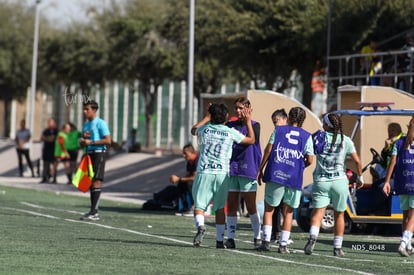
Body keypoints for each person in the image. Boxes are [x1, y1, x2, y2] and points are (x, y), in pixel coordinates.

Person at [190, 103, 255, 248]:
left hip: (205, 171)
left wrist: (206, 117)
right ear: (225, 117)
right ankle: (219, 241)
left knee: (199, 206)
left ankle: (200, 226)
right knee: (220, 208)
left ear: (211, 116)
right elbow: (251, 140)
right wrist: (248, 121)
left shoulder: (205, 129)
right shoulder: (229, 131)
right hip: (222, 174)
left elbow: (193, 130)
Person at [304, 113, 363, 257]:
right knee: (339, 215)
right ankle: (337, 247)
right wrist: (359, 177)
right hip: (340, 181)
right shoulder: (346, 140)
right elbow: (357, 161)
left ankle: (312, 239)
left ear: (327, 125)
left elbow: (309, 156)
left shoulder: (318, 137)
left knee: (318, 212)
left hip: (321, 180)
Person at [257, 107, 314, 253]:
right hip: (294, 178)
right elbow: (310, 159)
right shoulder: (307, 136)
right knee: (288, 212)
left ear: (288, 117)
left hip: (276, 174)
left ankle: (265, 242)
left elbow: (268, 150)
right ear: (303, 120)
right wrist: (299, 166)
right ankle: (283, 245)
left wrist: (260, 169)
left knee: (269, 210)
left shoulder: (278, 130)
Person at [224, 97, 262, 249]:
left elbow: (253, 140)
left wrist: (248, 121)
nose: (238, 111)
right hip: (233, 169)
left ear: (248, 109)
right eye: (236, 108)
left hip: (248, 170)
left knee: (251, 206)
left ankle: (257, 238)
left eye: (241, 108)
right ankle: (230, 238)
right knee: (232, 205)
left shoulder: (255, 125)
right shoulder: (230, 125)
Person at [383, 117, 414, 257]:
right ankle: (403, 243)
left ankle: (408, 244)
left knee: (405, 215)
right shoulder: (400, 142)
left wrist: (387, 181)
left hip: (402, 181)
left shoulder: (398, 142)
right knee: (413, 217)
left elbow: (392, 162)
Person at [79, 100, 111, 221]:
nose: (85, 111)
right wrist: (82, 141)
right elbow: (83, 142)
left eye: (87, 109)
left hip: (99, 154)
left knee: (97, 181)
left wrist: (91, 142)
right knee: (90, 181)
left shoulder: (101, 123)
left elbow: (108, 141)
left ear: (94, 110)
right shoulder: (86, 125)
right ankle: (92, 210)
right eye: (84, 109)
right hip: (88, 154)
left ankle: (94, 212)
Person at [269, 109, 288, 243]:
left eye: (277, 121)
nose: (275, 125)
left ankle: (285, 235)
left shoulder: (294, 133)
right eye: (273, 122)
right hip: (277, 174)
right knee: (275, 206)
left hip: (289, 175)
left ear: (285, 119)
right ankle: (275, 233)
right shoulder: (276, 133)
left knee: (286, 206)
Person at [170, 143, 198, 216]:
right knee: (181, 184)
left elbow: (194, 178)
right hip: (194, 182)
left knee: (189, 183)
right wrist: (177, 180)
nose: (184, 155)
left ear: (192, 153)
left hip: (203, 183)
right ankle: (185, 208)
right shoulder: (189, 162)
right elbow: (187, 175)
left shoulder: (197, 161)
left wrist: (179, 179)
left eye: (185, 153)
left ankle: (194, 207)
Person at [40, 118, 58, 183]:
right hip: (46, 149)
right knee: (45, 164)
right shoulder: (46, 130)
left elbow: (52, 139)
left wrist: (46, 138)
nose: (49, 123)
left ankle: (54, 178)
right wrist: (47, 138)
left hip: (54, 149)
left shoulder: (56, 130)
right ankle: (44, 178)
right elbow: (41, 138)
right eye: (49, 122)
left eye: (51, 122)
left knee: (54, 164)